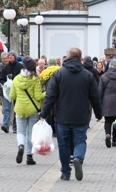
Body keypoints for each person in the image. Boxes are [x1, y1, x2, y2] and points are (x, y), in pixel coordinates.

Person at [40, 47, 102, 181]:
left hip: (62, 115)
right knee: (80, 140)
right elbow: (95, 96)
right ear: (80, 58)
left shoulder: (59, 74)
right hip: (81, 115)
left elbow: (51, 96)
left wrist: (43, 113)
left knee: (63, 144)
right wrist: (98, 113)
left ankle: (66, 172)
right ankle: (78, 158)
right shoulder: (88, 75)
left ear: (67, 57)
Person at [9, 57, 45, 166]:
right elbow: (38, 97)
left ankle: (21, 145)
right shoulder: (35, 79)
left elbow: (12, 95)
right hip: (32, 109)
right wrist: (47, 93)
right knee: (31, 133)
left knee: (20, 131)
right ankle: (29, 157)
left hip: (20, 109)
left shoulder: (16, 79)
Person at [99, 59, 116, 148]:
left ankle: (108, 134)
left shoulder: (103, 77)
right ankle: (114, 140)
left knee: (107, 121)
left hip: (107, 101)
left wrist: (99, 103)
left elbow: (99, 92)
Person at [0, 51, 21, 133]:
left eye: (12, 55)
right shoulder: (6, 68)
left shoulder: (20, 66)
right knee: (7, 109)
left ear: (15, 57)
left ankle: (15, 126)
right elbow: (1, 78)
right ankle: (5, 125)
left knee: (16, 109)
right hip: (7, 91)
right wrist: (5, 84)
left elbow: (22, 78)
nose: (10, 57)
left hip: (17, 91)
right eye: (9, 56)